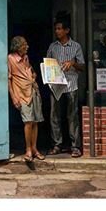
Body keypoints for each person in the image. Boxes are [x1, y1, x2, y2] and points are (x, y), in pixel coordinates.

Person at [46, 16, 85, 157]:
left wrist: (73, 63)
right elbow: (47, 65)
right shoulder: (53, 47)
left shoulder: (76, 46)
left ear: (67, 30)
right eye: (56, 29)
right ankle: (57, 145)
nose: (57, 31)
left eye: (60, 29)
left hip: (71, 85)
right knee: (54, 116)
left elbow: (83, 66)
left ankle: (75, 146)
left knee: (72, 116)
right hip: (56, 86)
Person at [8, 36, 45, 162]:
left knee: (35, 121)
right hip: (22, 93)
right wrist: (13, 97)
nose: (27, 47)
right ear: (18, 46)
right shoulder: (11, 59)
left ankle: (34, 149)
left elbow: (30, 70)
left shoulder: (26, 58)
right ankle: (28, 149)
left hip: (33, 90)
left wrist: (33, 75)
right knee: (28, 122)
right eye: (24, 45)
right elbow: (9, 79)